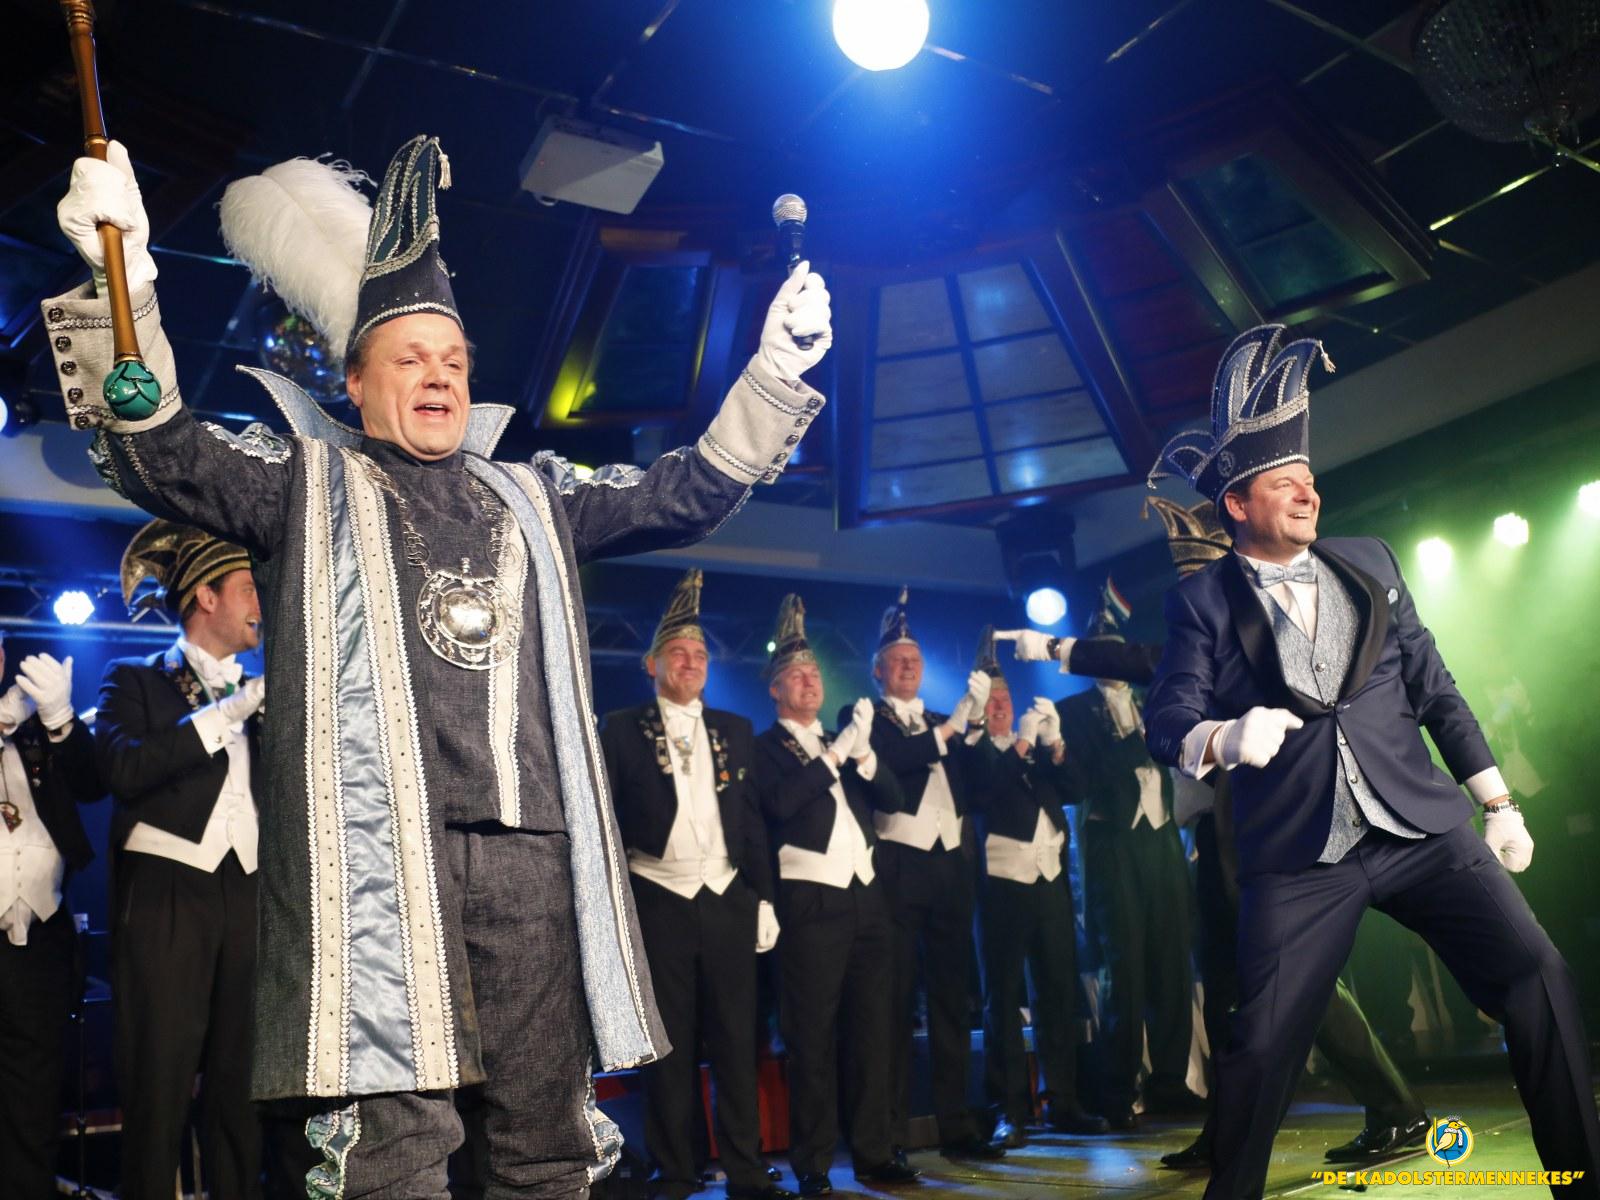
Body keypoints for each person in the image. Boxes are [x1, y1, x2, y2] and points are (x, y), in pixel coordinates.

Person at [46, 135, 834, 1195]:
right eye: (411, 359)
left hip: (534, 860)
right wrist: (125, 289)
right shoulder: (303, 482)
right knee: (392, 1153)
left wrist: (773, 377)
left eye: (454, 363)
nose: (438, 378)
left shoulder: (534, 493)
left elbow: (681, 491)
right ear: (355, 380)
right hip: (380, 866)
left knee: (547, 1142)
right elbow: (162, 450)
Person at [1143, 323, 1599, 1198]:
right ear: (1236, 503)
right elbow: (1167, 719)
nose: (1308, 491)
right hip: (1302, 859)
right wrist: (1225, 738)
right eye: (1284, 482)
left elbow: (1436, 690)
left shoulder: (1371, 560)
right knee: (1262, 1046)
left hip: (1421, 829)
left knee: (1539, 975)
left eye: (1309, 477)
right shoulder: (1201, 602)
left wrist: (1498, 802)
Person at [1003, 495, 1430, 1168]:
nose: (1190, 600)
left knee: (1292, 976)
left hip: (1266, 826)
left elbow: (1149, 659)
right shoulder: (1211, 623)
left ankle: (1397, 1110)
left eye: (1195, 580)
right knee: (1229, 986)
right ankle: (1229, 1135)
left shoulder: (1252, 622)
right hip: (1219, 833)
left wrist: (1061, 648)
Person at [599, 571, 788, 1200]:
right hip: (658, 898)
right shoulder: (620, 727)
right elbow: (606, 822)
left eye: (700, 654)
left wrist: (763, 898)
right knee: (670, 1047)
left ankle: (745, 1170)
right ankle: (675, 1170)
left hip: (728, 897)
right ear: (651, 664)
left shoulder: (735, 729)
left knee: (737, 1040)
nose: (691, 662)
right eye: (678, 653)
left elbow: (752, 822)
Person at [95, 521, 267, 1199]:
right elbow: (123, 767)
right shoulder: (135, 679)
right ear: (206, 596)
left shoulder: (265, 694)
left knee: (240, 1090)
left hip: (248, 892)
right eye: (248, 588)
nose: (260, 603)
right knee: (159, 1085)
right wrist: (225, 714)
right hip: (168, 895)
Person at [752, 595, 918, 1197]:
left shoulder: (842, 741)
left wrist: (865, 755)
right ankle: (814, 1163)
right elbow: (778, 805)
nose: (810, 681)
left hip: (866, 898)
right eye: (797, 674)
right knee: (813, 1039)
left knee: (873, 1031)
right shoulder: (764, 747)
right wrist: (834, 757)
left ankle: (874, 1151)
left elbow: (895, 801)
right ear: (775, 689)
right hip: (810, 903)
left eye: (815, 673)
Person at [854, 589, 1002, 1161]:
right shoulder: (865, 718)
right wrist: (950, 731)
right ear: (878, 670)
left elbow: (982, 787)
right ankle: (889, 1136)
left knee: (951, 1001)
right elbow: (893, 764)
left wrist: (978, 727)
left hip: (950, 865)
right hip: (898, 867)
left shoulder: (945, 720)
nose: (909, 665)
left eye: (914, 658)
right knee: (893, 1003)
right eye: (897, 659)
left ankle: (956, 1126)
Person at [1053, 580, 1202, 1130]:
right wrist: (1135, 741)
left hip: (1160, 839)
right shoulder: (1071, 711)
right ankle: (1118, 1090)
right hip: (1112, 842)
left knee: (1171, 963)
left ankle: (1171, 1081)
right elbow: (1083, 780)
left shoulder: (1149, 697)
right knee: (1125, 969)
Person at [964, 628, 1107, 1145]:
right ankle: (1008, 1109)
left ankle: (1062, 1101)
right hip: (1003, 884)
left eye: (1006, 698)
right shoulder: (974, 749)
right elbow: (984, 792)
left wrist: (1056, 743)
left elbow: (1077, 789)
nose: (1002, 706)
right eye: (992, 700)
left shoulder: (1033, 751)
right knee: (1003, 1000)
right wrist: (1022, 742)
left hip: (1049, 880)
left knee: (1056, 991)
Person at [0, 634, 101, 1200]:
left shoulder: (36, 726)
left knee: (34, 1106)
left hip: (39, 941)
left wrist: (61, 718)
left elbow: (94, 783)